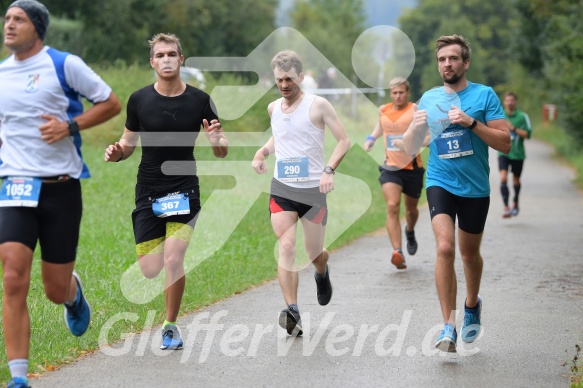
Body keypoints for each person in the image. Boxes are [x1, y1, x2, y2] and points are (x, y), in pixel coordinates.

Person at [0, 1, 122, 387]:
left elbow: (110, 103)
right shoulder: (1, 75)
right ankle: (19, 377)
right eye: (7, 19)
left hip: (60, 190)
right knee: (13, 276)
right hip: (14, 188)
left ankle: (72, 294)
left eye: (18, 19)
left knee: (53, 289)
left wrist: (70, 126)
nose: (9, 24)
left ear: (37, 27)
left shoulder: (63, 64)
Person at [104, 33, 228, 351]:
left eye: (172, 53)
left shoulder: (200, 100)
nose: (166, 59)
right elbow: (127, 145)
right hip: (148, 189)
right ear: (152, 62)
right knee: (150, 269)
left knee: (174, 260)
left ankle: (169, 325)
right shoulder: (139, 100)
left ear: (181, 59)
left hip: (184, 188)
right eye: (160, 55)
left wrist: (216, 140)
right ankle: (167, 311)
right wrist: (116, 152)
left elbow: (221, 150)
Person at [403, 35, 511, 353]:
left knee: (469, 255)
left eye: (452, 58)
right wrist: (412, 128)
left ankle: (472, 304)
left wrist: (472, 123)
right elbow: (409, 149)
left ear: (465, 63)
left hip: (475, 188)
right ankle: (448, 325)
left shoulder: (484, 95)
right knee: (445, 248)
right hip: (440, 180)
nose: (446, 64)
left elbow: (505, 143)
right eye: (441, 60)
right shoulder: (429, 98)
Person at [252, 50, 350, 336]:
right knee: (286, 247)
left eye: (290, 79)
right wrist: (262, 151)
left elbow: (343, 141)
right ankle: (292, 310)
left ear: (301, 77)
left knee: (313, 253)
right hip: (282, 188)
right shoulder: (273, 108)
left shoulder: (318, 105)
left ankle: (322, 270)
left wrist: (328, 170)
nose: (284, 84)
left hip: (312, 191)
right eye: (280, 79)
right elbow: (280, 135)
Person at [364, 77, 428, 270]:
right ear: (390, 93)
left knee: (411, 211)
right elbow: (381, 126)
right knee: (392, 206)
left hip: (412, 168)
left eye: (401, 92)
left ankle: (409, 230)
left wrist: (411, 144)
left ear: (407, 93)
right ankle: (397, 252)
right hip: (390, 167)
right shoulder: (383, 110)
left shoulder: (415, 111)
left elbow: (427, 135)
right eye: (394, 93)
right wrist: (371, 139)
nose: (398, 96)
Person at [499, 91, 532, 218]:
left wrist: (513, 129)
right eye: (507, 100)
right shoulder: (499, 115)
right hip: (503, 152)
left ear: (516, 102)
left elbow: (528, 135)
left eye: (512, 100)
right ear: (504, 102)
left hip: (518, 154)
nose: (509, 103)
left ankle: (515, 201)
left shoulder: (522, 116)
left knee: (516, 180)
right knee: (503, 178)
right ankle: (506, 207)